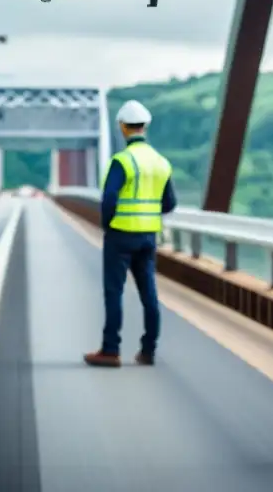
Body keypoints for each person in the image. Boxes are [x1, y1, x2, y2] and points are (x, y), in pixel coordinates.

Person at [84, 99, 177, 368]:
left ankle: (111, 350)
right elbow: (170, 203)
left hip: (120, 236)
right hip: (148, 237)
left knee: (114, 292)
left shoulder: (122, 161)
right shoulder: (161, 163)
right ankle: (148, 350)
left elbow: (109, 197)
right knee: (149, 293)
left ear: (123, 128)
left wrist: (108, 224)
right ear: (145, 126)